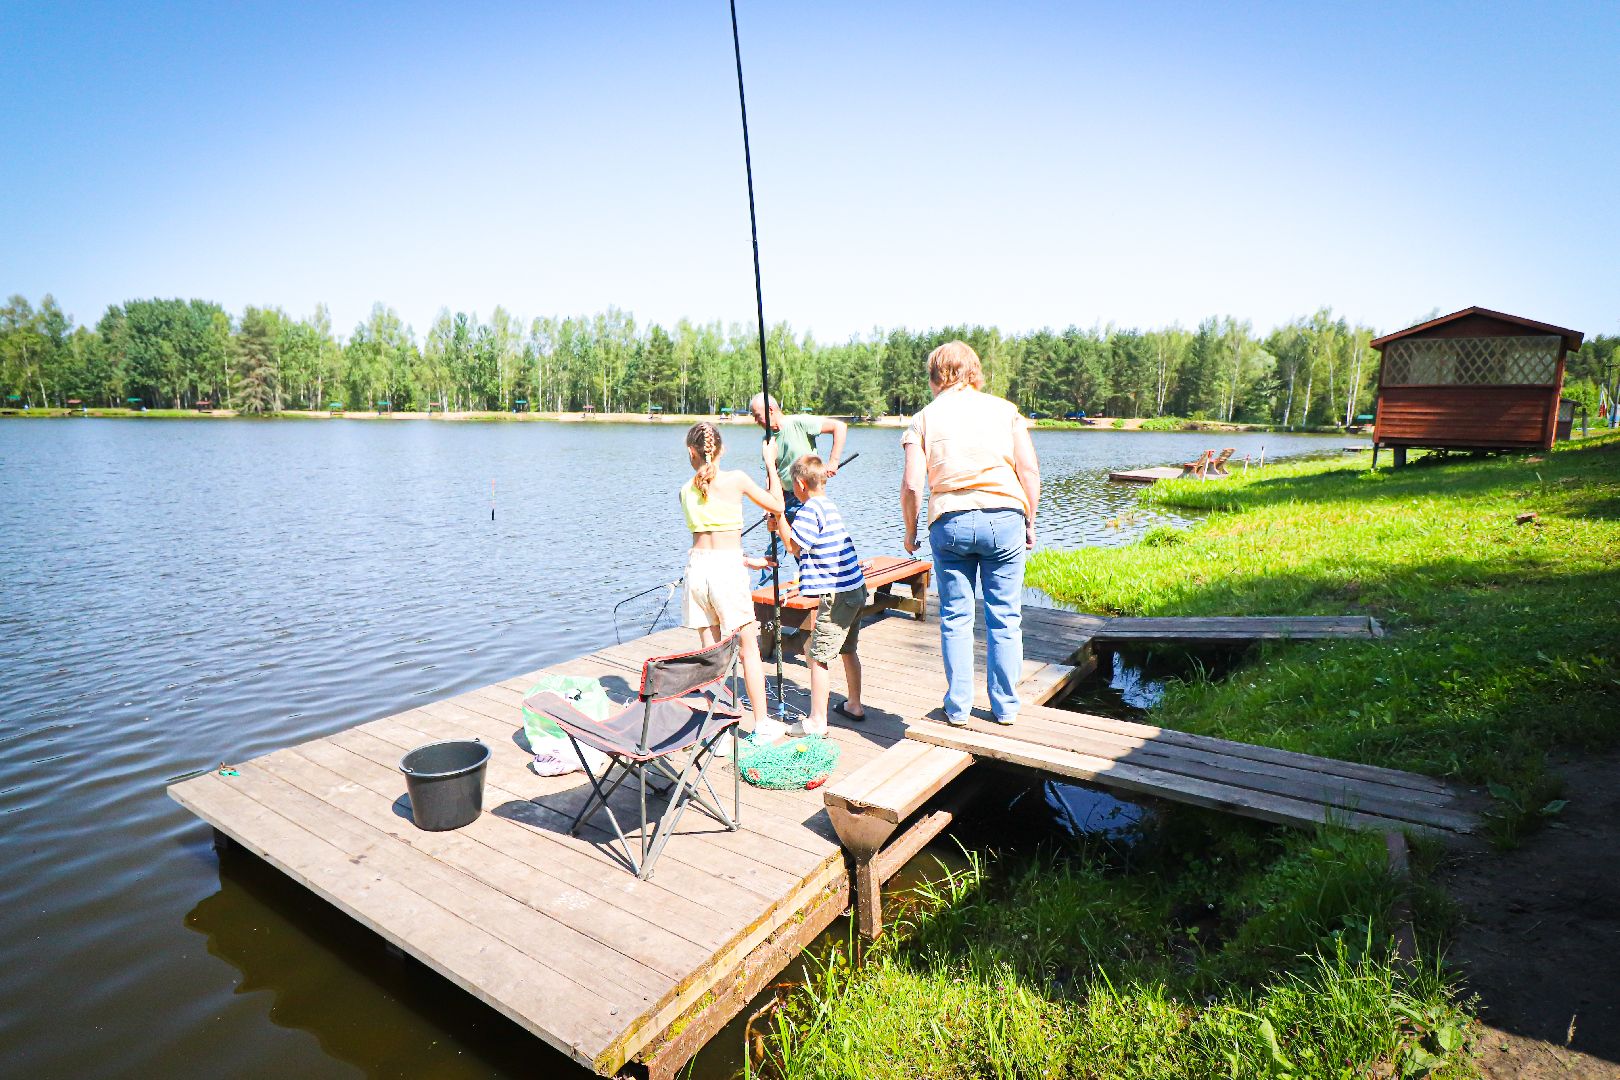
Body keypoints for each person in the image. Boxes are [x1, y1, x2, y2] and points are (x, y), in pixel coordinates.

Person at [900, 341, 1041, 727]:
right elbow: (1029, 471)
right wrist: (1029, 519)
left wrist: (911, 532)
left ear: (935, 377)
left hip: (950, 520)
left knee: (956, 618)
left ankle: (959, 708)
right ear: (973, 372)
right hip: (1005, 517)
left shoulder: (923, 418)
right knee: (1005, 616)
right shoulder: (1005, 411)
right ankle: (1006, 708)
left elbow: (913, 484)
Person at [679, 422, 789, 742]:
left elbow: (709, 542)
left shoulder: (685, 491)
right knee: (748, 650)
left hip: (697, 572)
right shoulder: (737, 479)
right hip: (726, 571)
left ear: (691, 452)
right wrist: (770, 462)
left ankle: (720, 733)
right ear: (721, 450)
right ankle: (763, 724)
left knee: (712, 655)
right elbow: (777, 506)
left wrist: (746, 560)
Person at [768, 453, 867, 736]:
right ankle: (854, 705)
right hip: (855, 589)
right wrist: (782, 523)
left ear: (800, 483)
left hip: (837, 595)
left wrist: (778, 517)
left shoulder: (809, 511)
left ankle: (817, 721)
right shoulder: (827, 505)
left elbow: (794, 547)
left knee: (818, 656)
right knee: (848, 649)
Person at [749, 393, 847, 521]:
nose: (756, 421)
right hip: (785, 500)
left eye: (757, 416)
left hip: (808, 496)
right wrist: (769, 503)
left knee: (805, 539)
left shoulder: (799, 423)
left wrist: (833, 461)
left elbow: (839, 427)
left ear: (770, 410)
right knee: (784, 539)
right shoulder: (768, 439)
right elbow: (771, 473)